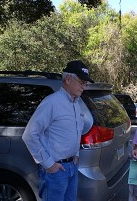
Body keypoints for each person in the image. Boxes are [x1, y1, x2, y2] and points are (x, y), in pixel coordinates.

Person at [22, 60, 94, 201]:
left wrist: (76, 154)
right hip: (56, 171)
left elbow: (76, 131)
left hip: (72, 166)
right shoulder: (51, 103)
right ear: (68, 79)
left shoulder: (76, 103)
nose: (83, 87)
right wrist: (49, 165)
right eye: (81, 82)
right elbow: (29, 135)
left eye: (85, 83)